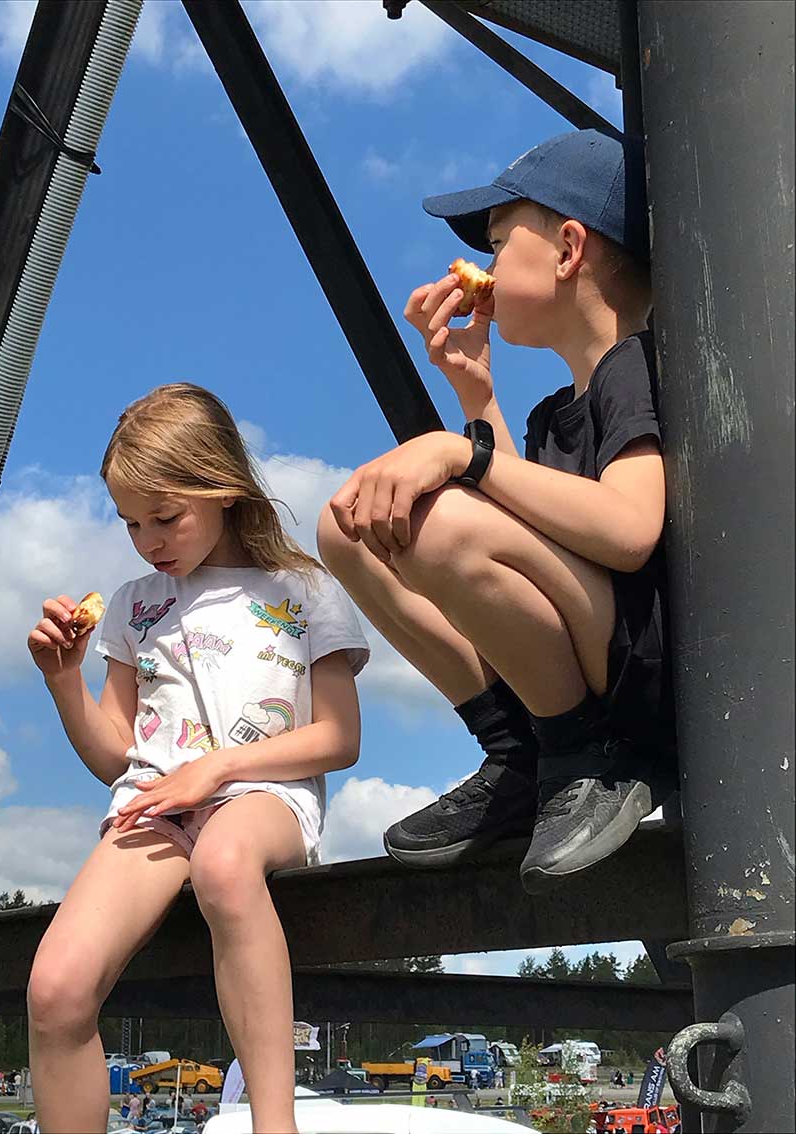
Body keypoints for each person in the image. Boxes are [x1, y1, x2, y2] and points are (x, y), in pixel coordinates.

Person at [318, 128, 676, 891]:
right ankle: (522, 749)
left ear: (569, 249)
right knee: (347, 528)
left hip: (633, 690)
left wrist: (464, 454)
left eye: (500, 243)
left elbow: (630, 529)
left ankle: (584, 754)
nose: (488, 265)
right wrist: (474, 393)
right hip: (592, 655)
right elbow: (524, 531)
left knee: (437, 522)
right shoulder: (557, 410)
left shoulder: (636, 364)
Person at [25, 383, 369, 1134]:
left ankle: (273, 1125)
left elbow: (339, 738)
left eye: (165, 516)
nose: (148, 540)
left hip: (262, 795)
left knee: (224, 861)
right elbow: (116, 755)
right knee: (55, 990)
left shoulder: (304, 590)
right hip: (154, 804)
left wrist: (215, 769)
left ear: (223, 488)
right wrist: (63, 682)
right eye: (130, 523)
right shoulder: (132, 604)